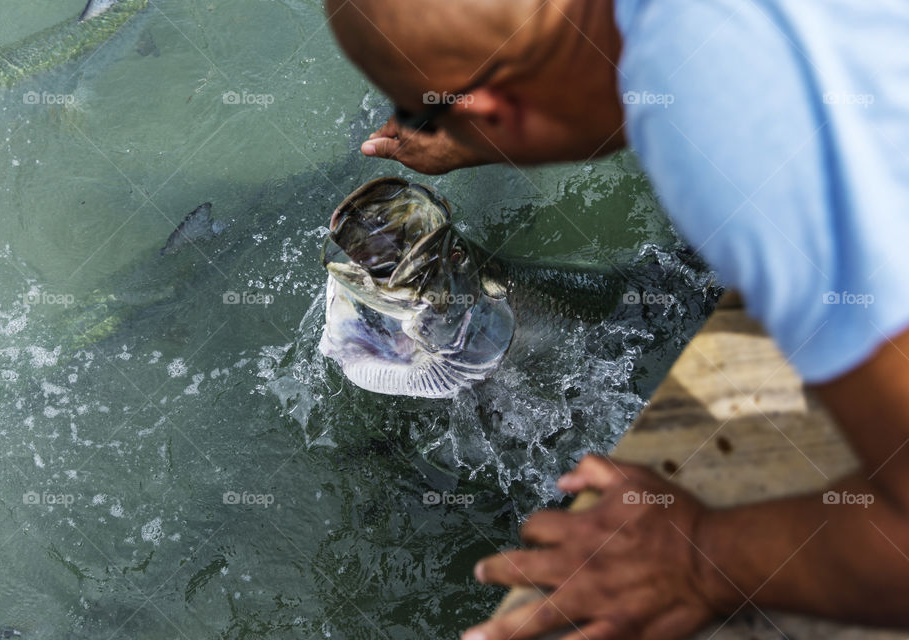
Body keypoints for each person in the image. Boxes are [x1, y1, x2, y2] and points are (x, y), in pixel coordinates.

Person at [325, 0, 909, 638]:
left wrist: (698, 559)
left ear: (495, 108)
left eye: (421, 110)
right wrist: (499, 126)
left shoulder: (768, 170)